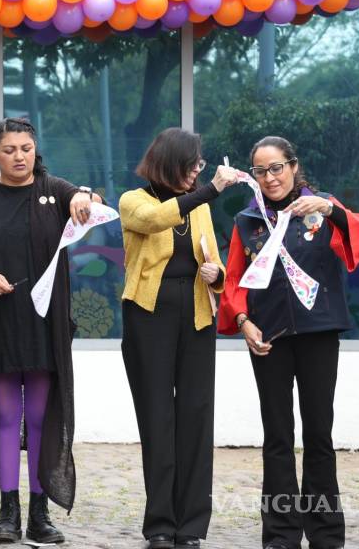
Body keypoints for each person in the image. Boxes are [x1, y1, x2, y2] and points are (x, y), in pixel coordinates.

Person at [218, 136, 359, 549]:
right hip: (269, 337)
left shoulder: (320, 207)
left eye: (276, 168)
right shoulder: (248, 221)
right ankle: (282, 534)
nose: (269, 178)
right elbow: (233, 280)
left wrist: (331, 208)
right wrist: (244, 321)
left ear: (293, 166)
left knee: (319, 432)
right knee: (277, 435)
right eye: (260, 171)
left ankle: (325, 533)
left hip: (319, 333)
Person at [0, 117, 101, 544]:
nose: (20, 156)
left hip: (44, 321)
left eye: (26, 148)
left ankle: (39, 513)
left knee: (39, 417)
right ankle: (8, 512)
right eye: (10, 149)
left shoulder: (54, 190)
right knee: (3, 416)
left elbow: (87, 199)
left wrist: (85, 197)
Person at [118, 127, 237, 549]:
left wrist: (217, 275)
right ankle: (160, 527)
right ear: (171, 163)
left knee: (195, 417)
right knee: (158, 419)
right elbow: (154, 220)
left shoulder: (200, 206)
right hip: (148, 317)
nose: (198, 173)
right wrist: (210, 191)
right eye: (193, 166)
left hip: (197, 316)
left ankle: (191, 527)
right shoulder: (133, 200)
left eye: (201, 167)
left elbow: (214, 259)